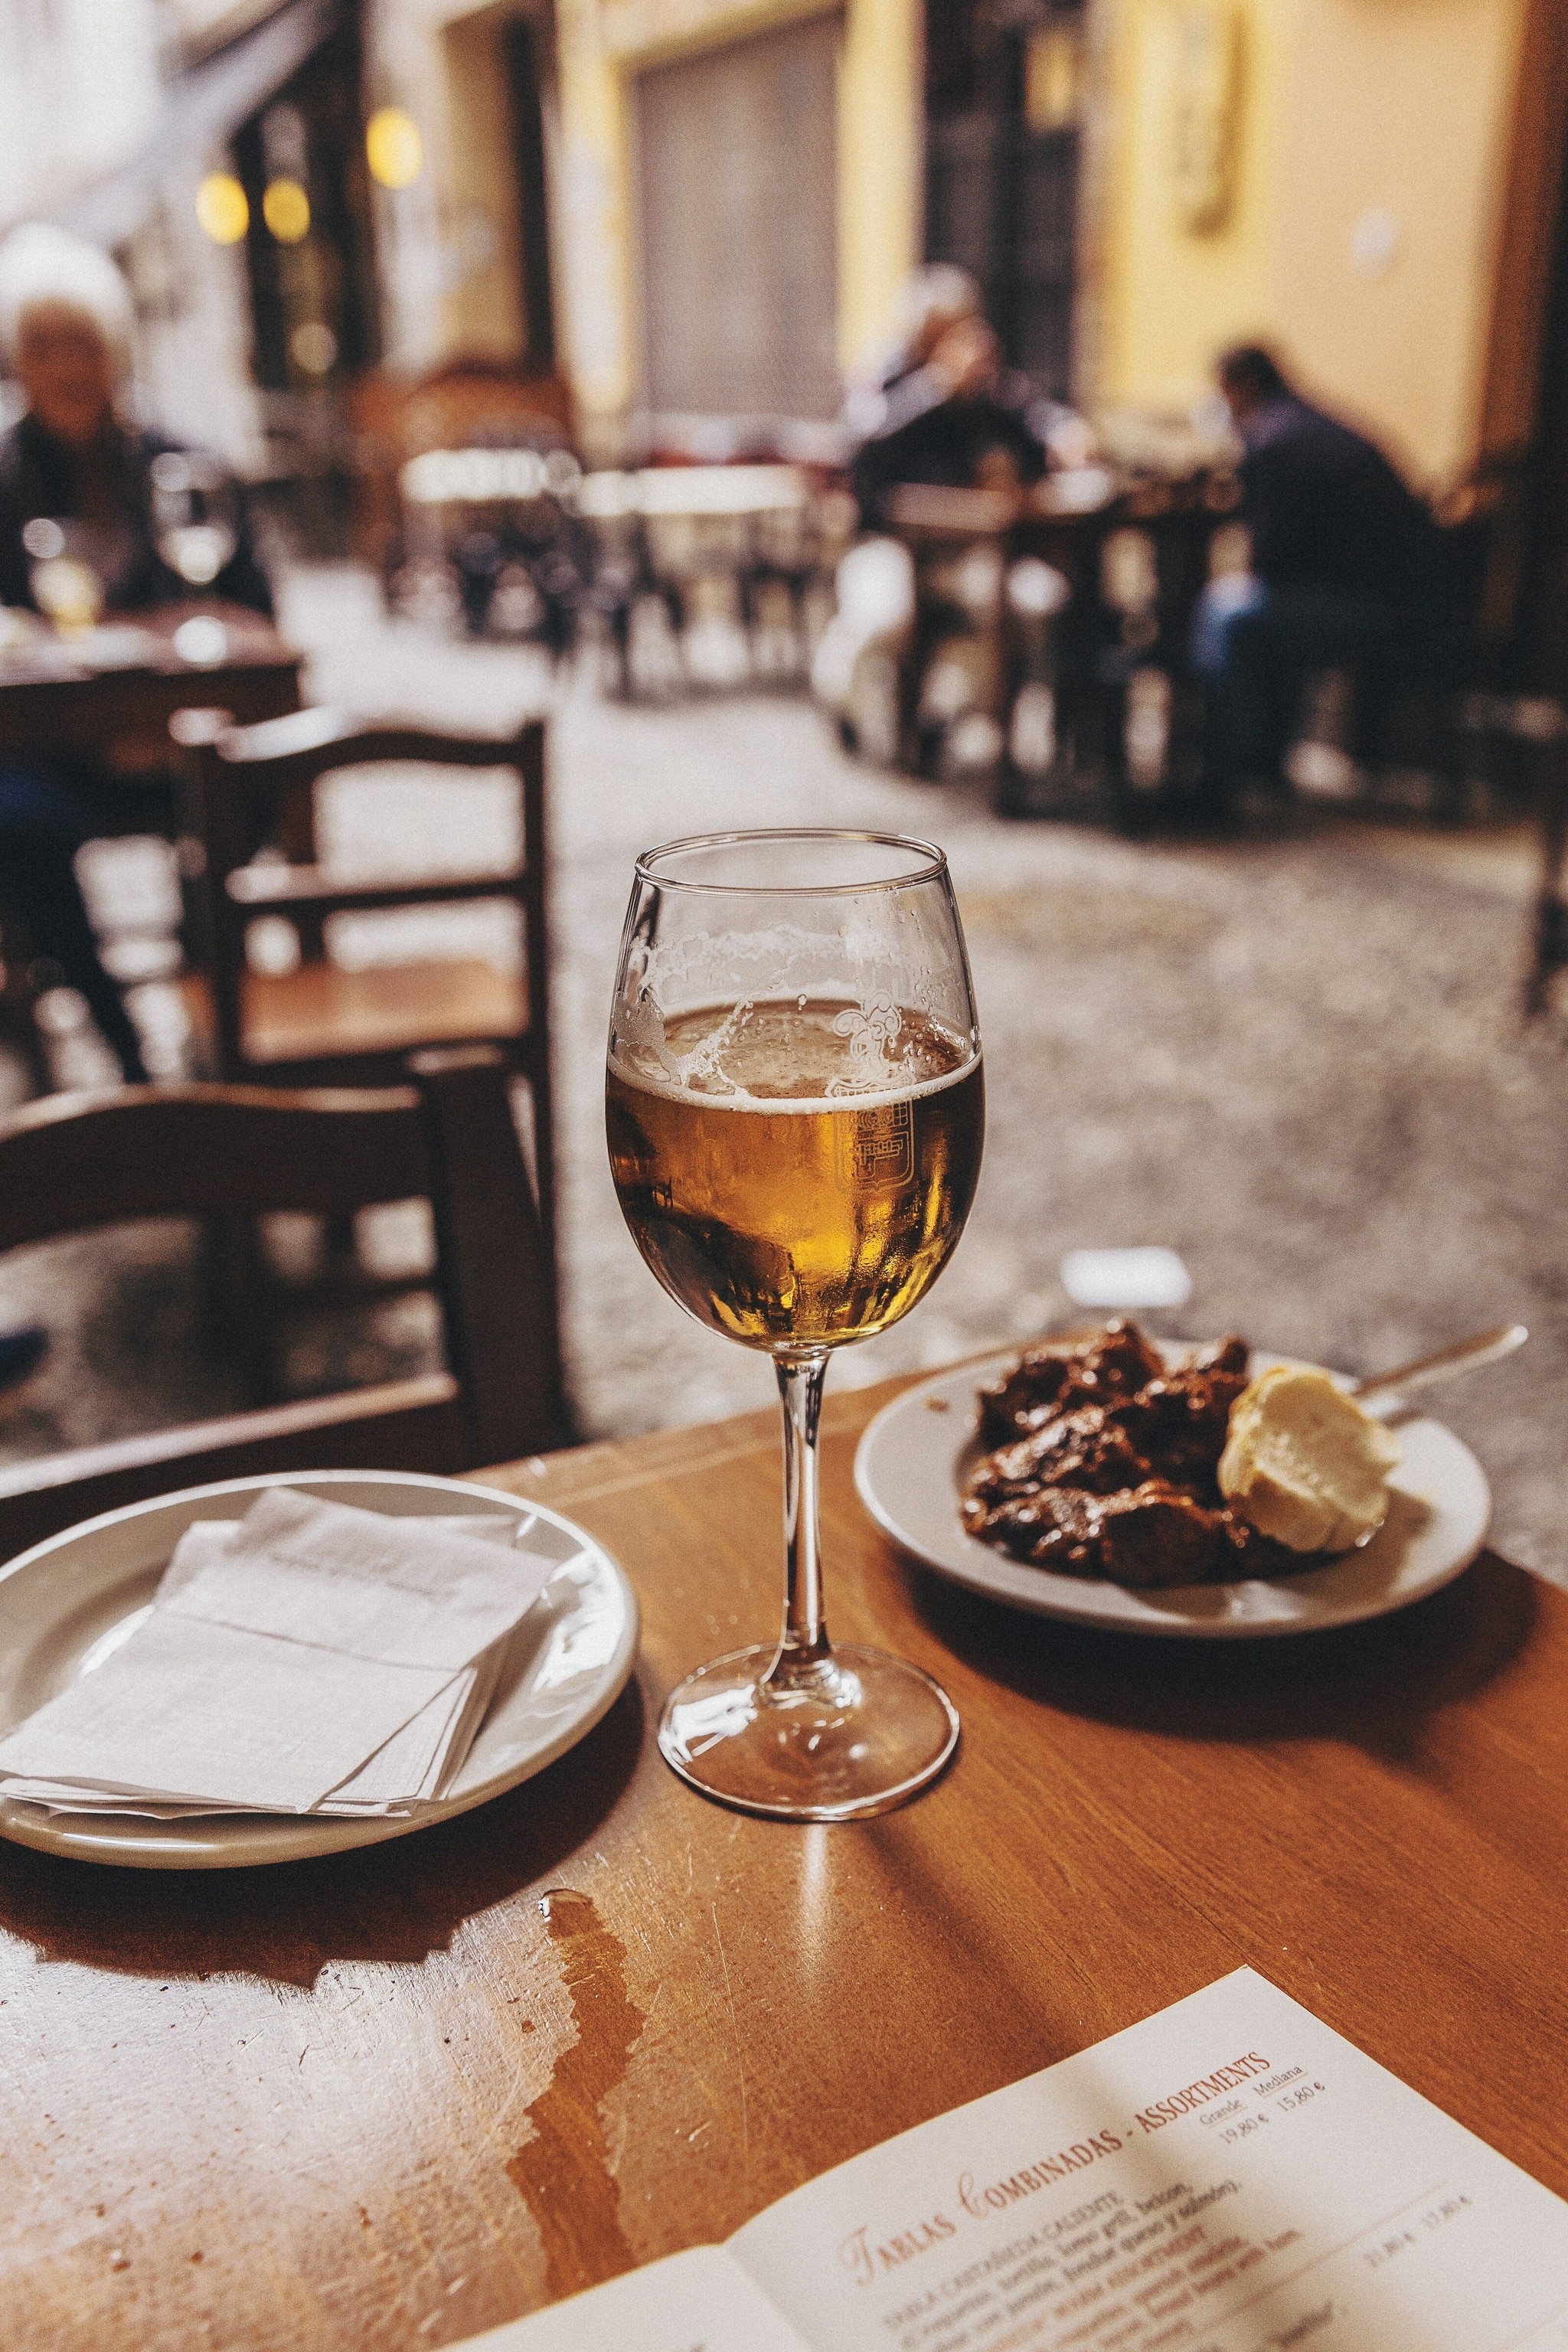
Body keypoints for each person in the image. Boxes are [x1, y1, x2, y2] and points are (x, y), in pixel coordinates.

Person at [0, 224, 273, 1083]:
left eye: (82, 342)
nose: (67, 365)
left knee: (248, 785)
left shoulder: (180, 466)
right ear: (18, 362)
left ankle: (209, 1002)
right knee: (17, 827)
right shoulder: (6, 478)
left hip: (181, 730)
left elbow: (255, 608)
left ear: (114, 351)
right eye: (44, 347)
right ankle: (124, 1051)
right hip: (53, 747)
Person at [1191, 342, 1434, 811]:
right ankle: (1259, 760)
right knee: (1251, 606)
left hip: (1369, 609)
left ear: (1243, 387)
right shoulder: (1315, 425)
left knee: (1225, 612)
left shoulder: (1274, 441)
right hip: (1403, 598)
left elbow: (1270, 561)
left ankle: (1222, 771)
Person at [845, 266, 1057, 527]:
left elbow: (1028, 408)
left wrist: (1060, 430)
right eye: (939, 335)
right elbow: (860, 432)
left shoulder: (980, 377)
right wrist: (936, 383)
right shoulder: (891, 369)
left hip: (964, 525)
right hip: (889, 528)